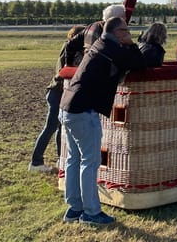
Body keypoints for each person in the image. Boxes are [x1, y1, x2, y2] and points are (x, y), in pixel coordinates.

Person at [59, 17, 145, 226]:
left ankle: (74, 208)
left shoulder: (100, 45)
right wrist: (132, 44)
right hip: (83, 111)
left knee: (74, 159)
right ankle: (91, 212)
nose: (128, 33)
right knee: (90, 162)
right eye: (126, 30)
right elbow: (140, 62)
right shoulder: (113, 49)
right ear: (117, 32)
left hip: (68, 107)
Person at [28, 24, 85, 172]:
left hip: (60, 93)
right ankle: (36, 162)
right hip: (57, 92)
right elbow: (62, 71)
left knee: (60, 128)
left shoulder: (73, 50)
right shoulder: (68, 49)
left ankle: (62, 159)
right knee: (51, 127)